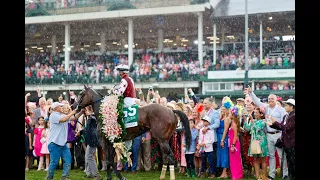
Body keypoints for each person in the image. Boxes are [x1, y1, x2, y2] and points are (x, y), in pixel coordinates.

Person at [245, 86, 288, 179]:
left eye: (272, 98)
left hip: (278, 134)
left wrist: (283, 134)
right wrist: (251, 93)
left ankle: (285, 174)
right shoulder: (266, 107)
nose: (270, 100)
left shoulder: (281, 109)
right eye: (269, 99)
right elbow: (257, 101)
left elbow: (285, 121)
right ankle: (271, 174)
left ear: (276, 99)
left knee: (281, 156)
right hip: (268, 134)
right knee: (271, 156)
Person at [46, 102, 83, 180]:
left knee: (68, 160)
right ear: (56, 108)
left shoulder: (62, 115)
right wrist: (72, 112)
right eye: (61, 106)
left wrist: (80, 112)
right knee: (54, 163)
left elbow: (73, 118)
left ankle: (65, 177)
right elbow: (64, 119)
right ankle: (49, 178)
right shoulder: (53, 115)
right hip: (54, 143)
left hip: (63, 143)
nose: (62, 107)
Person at [268, 99, 295, 180]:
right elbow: (282, 127)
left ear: (292, 107)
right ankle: (290, 176)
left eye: (286, 105)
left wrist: (275, 122)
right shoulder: (286, 116)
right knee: (290, 162)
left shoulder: (293, 116)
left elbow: (286, 128)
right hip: (287, 142)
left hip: (292, 143)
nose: (285, 106)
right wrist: (272, 124)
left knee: (293, 163)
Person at [77, 105, 102, 180]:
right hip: (90, 140)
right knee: (87, 156)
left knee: (89, 157)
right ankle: (89, 173)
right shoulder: (89, 118)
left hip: (92, 140)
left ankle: (96, 175)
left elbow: (94, 118)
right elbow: (86, 129)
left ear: (89, 110)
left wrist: (90, 115)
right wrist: (80, 132)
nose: (84, 111)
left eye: (86, 110)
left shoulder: (93, 117)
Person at [244, 107, 269, 180]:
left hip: (262, 142)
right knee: (255, 160)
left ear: (261, 114)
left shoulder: (263, 121)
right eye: (254, 112)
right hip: (254, 141)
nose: (254, 114)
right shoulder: (253, 120)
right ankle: (258, 176)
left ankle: (264, 176)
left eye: (256, 113)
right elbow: (247, 128)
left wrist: (251, 120)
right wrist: (245, 120)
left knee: (263, 160)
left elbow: (257, 128)